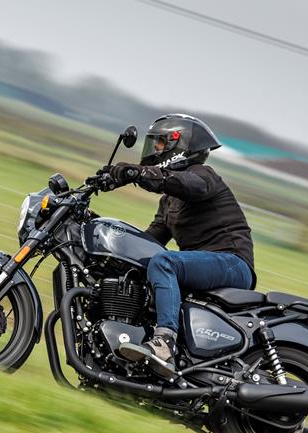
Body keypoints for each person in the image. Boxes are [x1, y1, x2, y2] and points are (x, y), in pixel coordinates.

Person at [106, 114, 256, 377]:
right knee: (145, 263)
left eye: (161, 144)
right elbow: (150, 242)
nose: (156, 150)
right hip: (207, 264)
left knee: (165, 262)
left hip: (232, 262)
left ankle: (164, 344)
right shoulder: (169, 202)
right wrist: (113, 240)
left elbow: (189, 185)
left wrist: (138, 173)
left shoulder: (202, 176)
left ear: (181, 147)